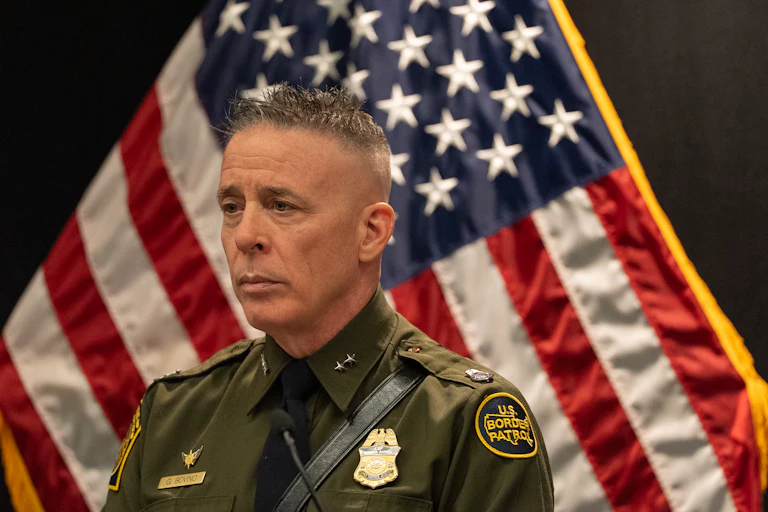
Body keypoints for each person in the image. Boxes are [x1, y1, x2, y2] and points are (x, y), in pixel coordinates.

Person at [102, 85, 554, 512]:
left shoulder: (461, 420)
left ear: (371, 232)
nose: (245, 236)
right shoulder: (174, 413)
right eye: (232, 207)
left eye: (282, 206)